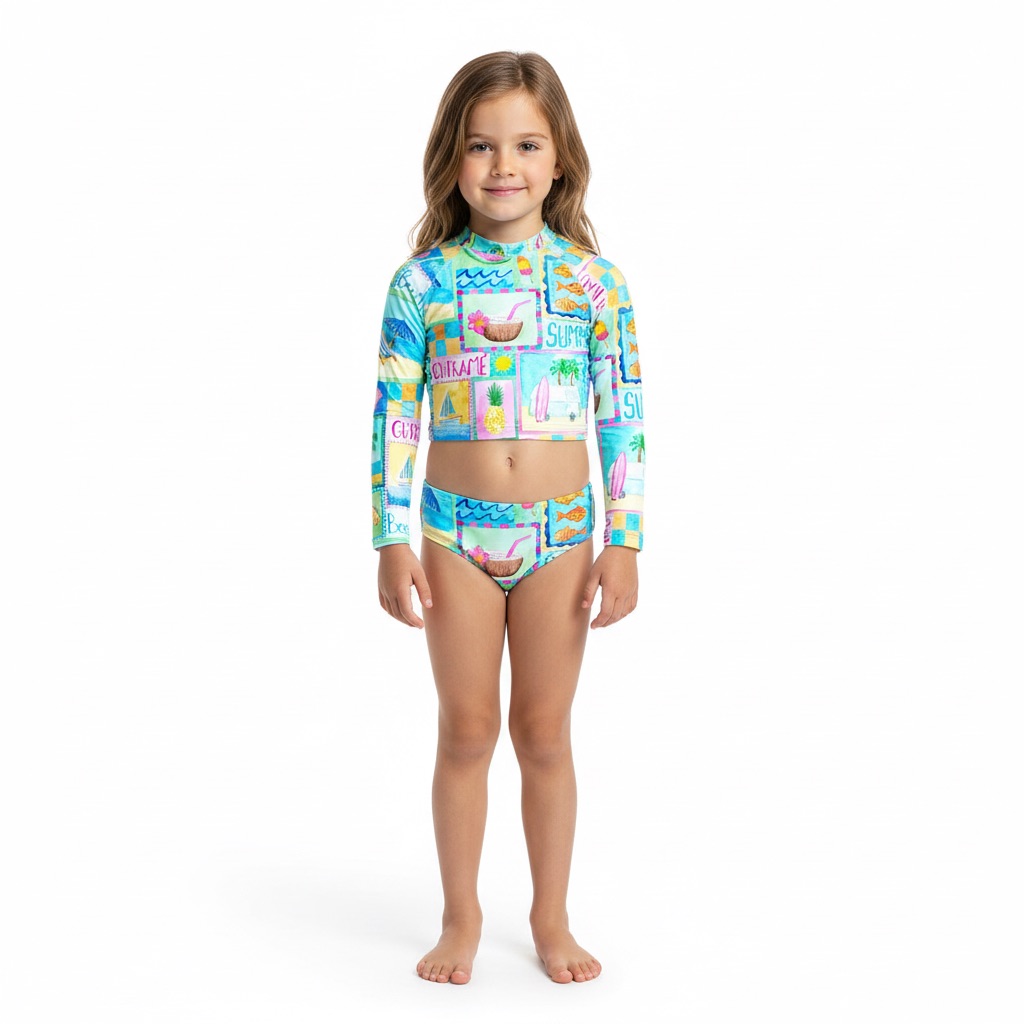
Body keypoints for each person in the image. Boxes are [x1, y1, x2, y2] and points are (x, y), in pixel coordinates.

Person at [370, 51, 645, 986]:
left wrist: (625, 539)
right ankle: (461, 918)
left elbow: (622, 414)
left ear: (560, 157)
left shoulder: (595, 284)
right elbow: (394, 416)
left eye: (527, 145)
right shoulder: (421, 285)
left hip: (563, 538)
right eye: (481, 145)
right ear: (451, 156)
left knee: (544, 733)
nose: (503, 166)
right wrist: (389, 536)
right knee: (466, 730)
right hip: (452, 535)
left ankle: (550, 917)